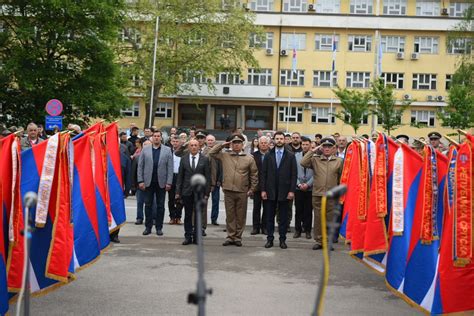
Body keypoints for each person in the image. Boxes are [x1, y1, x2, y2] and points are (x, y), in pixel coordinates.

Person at [209, 134, 258, 247]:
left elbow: (254, 175)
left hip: (242, 190)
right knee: (230, 215)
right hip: (228, 190)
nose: (236, 145)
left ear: (242, 145)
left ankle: (238, 237)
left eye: (238, 143)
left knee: (240, 215)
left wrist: (252, 189)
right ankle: (230, 236)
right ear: (231, 144)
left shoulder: (249, 158)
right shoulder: (225, 155)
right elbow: (211, 153)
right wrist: (222, 145)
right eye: (234, 143)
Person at [301, 137, 343, 250]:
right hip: (318, 194)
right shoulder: (316, 159)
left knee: (330, 219)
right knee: (319, 218)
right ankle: (319, 241)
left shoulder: (338, 161)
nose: (327, 148)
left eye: (329, 146)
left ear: (334, 148)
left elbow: (341, 178)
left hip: (332, 195)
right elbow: (303, 162)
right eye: (324, 146)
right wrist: (313, 150)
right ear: (321, 147)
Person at [261, 131, 297, 249]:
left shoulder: (290, 155)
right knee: (269, 217)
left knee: (283, 218)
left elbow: (293, 175)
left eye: (281, 138)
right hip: (270, 191)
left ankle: (282, 240)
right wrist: (263, 190)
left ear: (285, 140)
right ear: (274, 140)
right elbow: (263, 174)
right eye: (277, 139)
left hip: (285, 192)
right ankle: (270, 239)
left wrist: (292, 191)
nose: (279, 141)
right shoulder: (268, 155)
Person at [137, 130, 174, 236]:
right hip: (148, 182)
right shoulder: (145, 149)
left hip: (161, 183)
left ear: (161, 138)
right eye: (155, 136)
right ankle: (148, 227)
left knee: (160, 206)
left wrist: (169, 182)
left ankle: (159, 227)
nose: (156, 138)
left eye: (158, 136)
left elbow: (170, 167)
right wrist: (140, 180)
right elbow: (140, 166)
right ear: (152, 138)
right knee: (148, 205)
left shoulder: (167, 150)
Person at [176, 139, 211, 245]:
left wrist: (206, 193)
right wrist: (178, 192)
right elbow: (180, 177)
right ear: (189, 147)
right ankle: (188, 236)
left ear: (199, 147)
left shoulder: (204, 160)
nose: (194, 147)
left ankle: (197, 237)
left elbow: (207, 177)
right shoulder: (184, 159)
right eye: (191, 145)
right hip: (187, 192)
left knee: (198, 216)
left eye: (196, 145)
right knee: (187, 215)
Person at [294, 137, 313, 239]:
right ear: (301, 145)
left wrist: (308, 184)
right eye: (303, 144)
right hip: (299, 188)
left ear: (310, 145)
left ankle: (308, 230)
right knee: (298, 210)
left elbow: (316, 173)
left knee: (308, 211)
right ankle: (298, 230)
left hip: (310, 188)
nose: (305, 146)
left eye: (307, 144)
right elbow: (293, 172)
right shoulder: (296, 156)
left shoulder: (315, 157)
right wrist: (298, 184)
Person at [251, 136, 270, 235]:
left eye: (265, 143)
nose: (263, 144)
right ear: (258, 144)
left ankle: (265, 227)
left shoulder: (272, 154)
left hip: (268, 186)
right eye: (261, 143)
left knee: (267, 208)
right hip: (257, 186)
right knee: (256, 207)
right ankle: (255, 227)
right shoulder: (253, 155)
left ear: (268, 144)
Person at [206, 134, 223, 226]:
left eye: (212, 140)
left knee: (215, 201)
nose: (210, 142)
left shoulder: (219, 152)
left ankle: (214, 219)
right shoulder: (203, 151)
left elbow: (221, 168)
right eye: (208, 140)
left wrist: (219, 180)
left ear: (215, 141)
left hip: (216, 181)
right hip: (205, 181)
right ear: (206, 141)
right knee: (203, 201)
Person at [168, 135, 183, 225]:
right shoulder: (168, 151)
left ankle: (178, 217)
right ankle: (172, 217)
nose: (175, 143)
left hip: (180, 177)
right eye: (173, 141)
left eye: (177, 141)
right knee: (171, 199)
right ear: (171, 142)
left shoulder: (184, 152)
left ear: (180, 143)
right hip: (171, 176)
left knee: (180, 199)